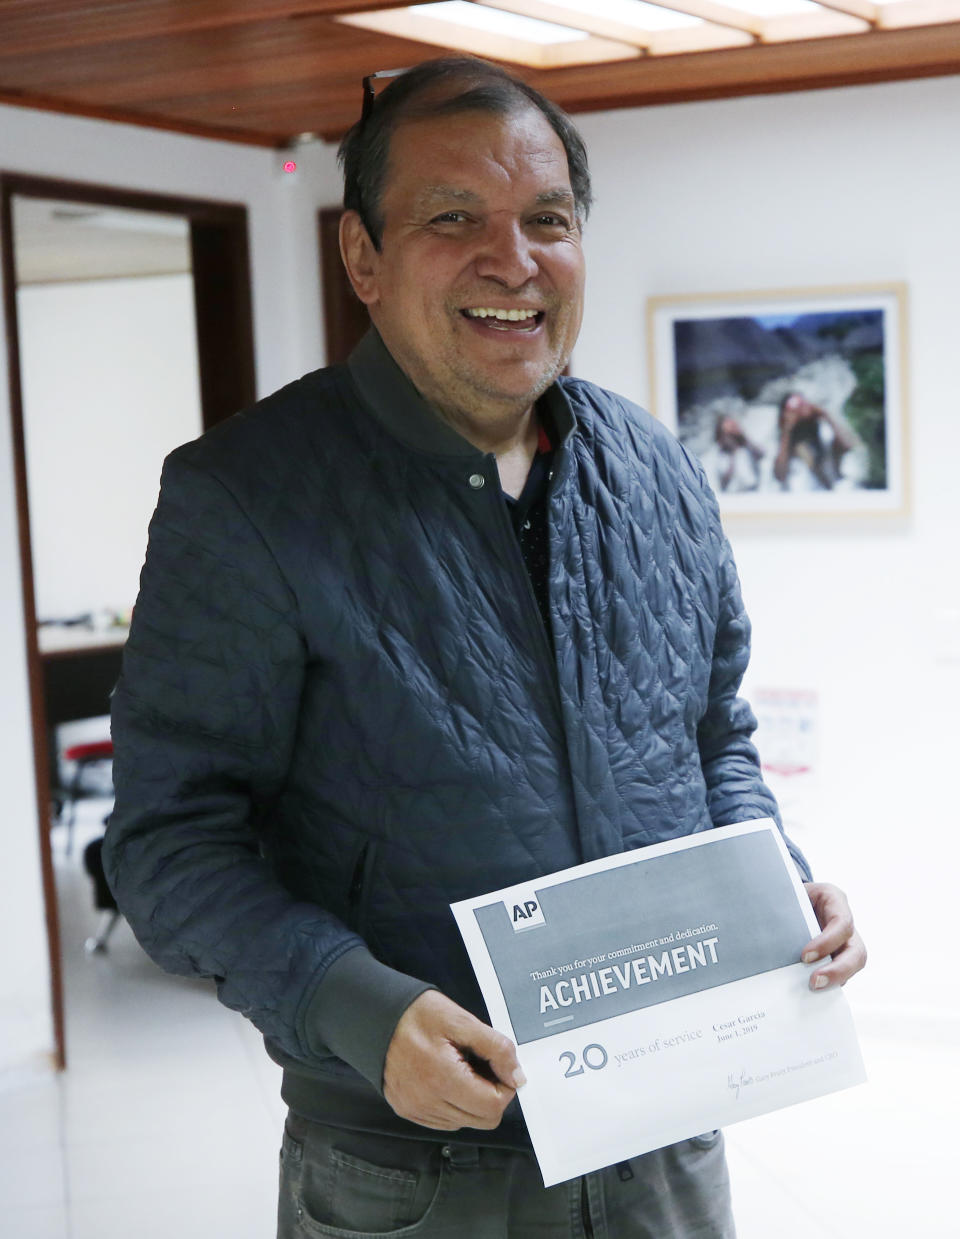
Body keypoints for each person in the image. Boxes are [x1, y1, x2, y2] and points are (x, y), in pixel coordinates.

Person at [103, 56, 866, 1239]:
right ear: (363, 256)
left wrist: (777, 879)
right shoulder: (245, 500)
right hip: (415, 1172)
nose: (512, 261)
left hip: (664, 1136)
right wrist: (351, 1004)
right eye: (453, 218)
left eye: (545, 221)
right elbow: (168, 840)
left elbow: (715, 736)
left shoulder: (656, 468)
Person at [773, 391, 858, 490]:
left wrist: (826, 416)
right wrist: (787, 428)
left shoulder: (824, 432)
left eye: (803, 404)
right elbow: (780, 475)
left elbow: (847, 446)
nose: (800, 410)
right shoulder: (780, 440)